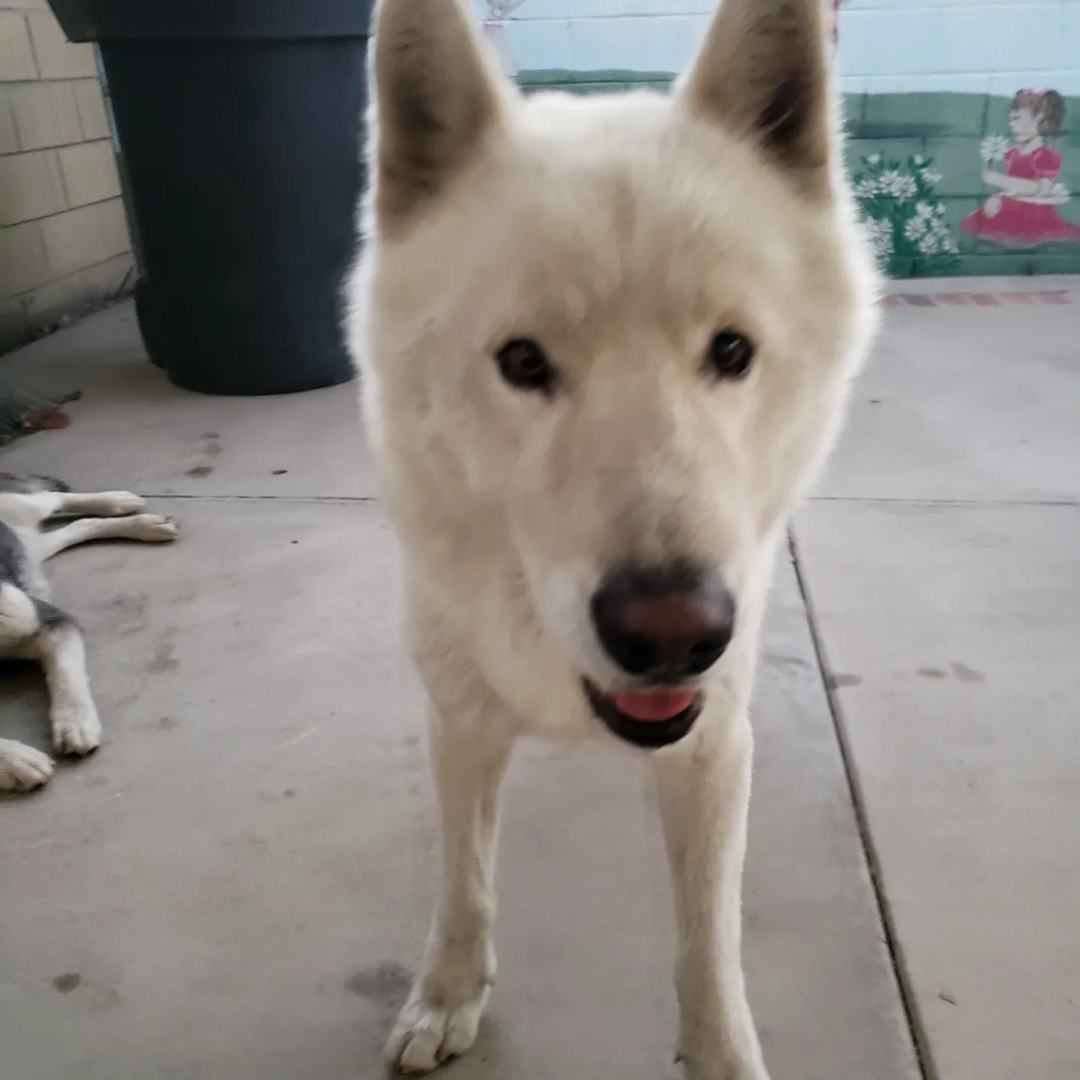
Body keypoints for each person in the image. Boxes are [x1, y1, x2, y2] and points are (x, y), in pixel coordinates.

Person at [962, 88, 1080, 247]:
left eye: (1017, 118)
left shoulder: (1046, 155)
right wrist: (997, 198)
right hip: (1010, 210)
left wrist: (998, 179)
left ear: (1040, 118)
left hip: (1034, 216)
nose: (1012, 125)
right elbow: (1012, 189)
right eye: (1011, 120)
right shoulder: (1012, 153)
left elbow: (1040, 188)